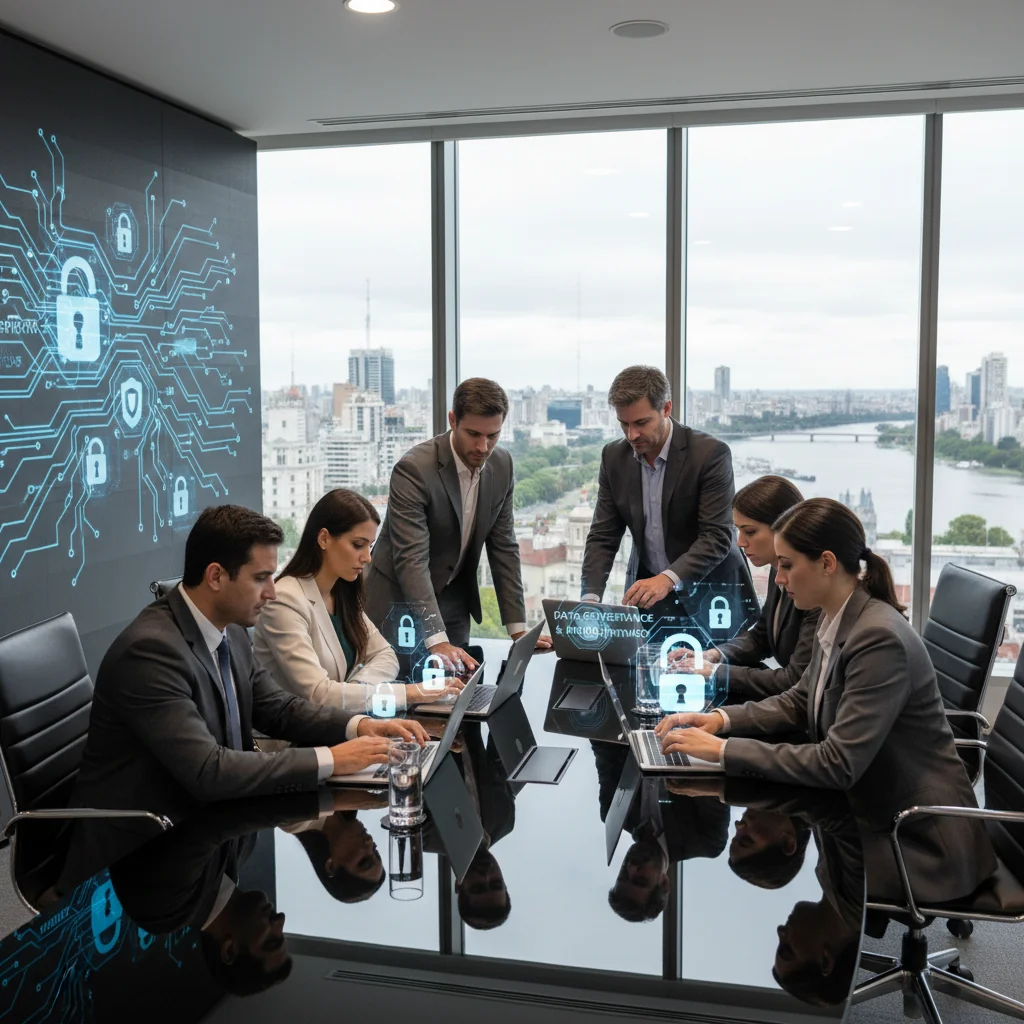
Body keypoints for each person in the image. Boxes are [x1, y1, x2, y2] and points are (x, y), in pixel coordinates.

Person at [656, 497, 996, 903]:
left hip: (919, 838)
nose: (778, 579)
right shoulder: (838, 615)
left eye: (787, 564)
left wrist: (724, 752)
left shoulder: (878, 638)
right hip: (875, 803)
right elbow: (800, 700)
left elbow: (838, 764)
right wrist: (721, 721)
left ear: (828, 563)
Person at [67, 505, 427, 875]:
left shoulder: (229, 629)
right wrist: (336, 759)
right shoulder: (150, 653)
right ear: (216, 576)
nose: (272, 592)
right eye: (261, 578)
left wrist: (359, 727)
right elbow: (210, 770)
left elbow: (279, 708)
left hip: (208, 829)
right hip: (138, 859)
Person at [364, 377, 551, 671]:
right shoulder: (414, 469)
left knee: (458, 690)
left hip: (453, 600)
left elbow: (503, 546)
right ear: (453, 420)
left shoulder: (502, 465)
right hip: (396, 601)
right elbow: (411, 559)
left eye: (493, 435)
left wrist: (517, 628)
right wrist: (436, 638)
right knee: (401, 691)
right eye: (473, 434)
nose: (483, 446)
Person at [254, 488, 463, 715]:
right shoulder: (285, 600)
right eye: (357, 545)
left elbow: (386, 656)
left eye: (370, 546)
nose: (367, 557)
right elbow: (319, 694)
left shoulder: (341, 592)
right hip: (292, 743)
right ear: (324, 539)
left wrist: (352, 691)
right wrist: (412, 693)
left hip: (336, 727)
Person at [580, 365, 754, 614]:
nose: (632, 434)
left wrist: (668, 578)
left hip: (712, 596)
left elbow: (717, 536)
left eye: (641, 422)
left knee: (715, 656)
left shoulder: (710, 454)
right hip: (649, 598)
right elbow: (603, 535)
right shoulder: (613, 457)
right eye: (623, 424)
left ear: (666, 409)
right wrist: (589, 599)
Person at [671, 475, 816, 700]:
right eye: (738, 530)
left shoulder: (813, 589)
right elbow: (762, 636)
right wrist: (712, 655)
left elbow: (793, 679)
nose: (739, 542)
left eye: (749, 532)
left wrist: (716, 673)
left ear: (785, 527)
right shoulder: (776, 570)